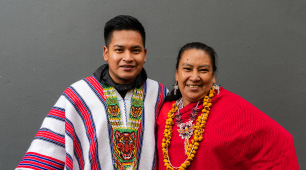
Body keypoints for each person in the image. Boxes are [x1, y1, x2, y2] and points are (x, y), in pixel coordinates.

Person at [16, 15, 167, 170]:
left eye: (135, 50)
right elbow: (44, 155)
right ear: (106, 53)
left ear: (145, 54)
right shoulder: (78, 96)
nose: (127, 58)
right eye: (119, 50)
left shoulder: (160, 95)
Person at [156, 42, 300, 170]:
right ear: (177, 74)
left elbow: (279, 142)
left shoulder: (232, 108)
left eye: (203, 70)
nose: (194, 77)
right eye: (187, 69)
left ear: (213, 77)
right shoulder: (163, 111)